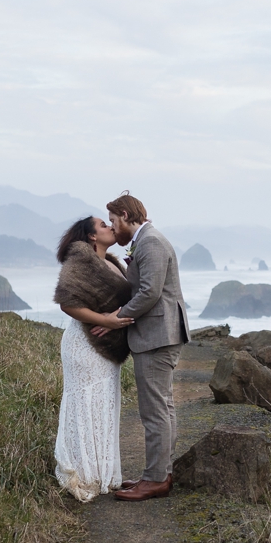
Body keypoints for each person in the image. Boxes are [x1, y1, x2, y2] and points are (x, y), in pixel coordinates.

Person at [93, 193, 192, 501]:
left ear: (125, 214)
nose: (112, 226)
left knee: (154, 411)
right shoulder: (146, 241)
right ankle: (159, 473)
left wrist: (114, 317)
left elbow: (149, 293)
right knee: (163, 407)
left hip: (157, 336)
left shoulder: (150, 242)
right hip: (161, 334)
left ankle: (156, 479)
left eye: (113, 221)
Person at [52, 216, 134, 502]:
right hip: (85, 345)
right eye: (103, 225)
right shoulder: (80, 260)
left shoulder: (112, 261)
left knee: (103, 405)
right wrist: (105, 321)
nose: (111, 227)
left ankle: (104, 474)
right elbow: (67, 302)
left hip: (107, 348)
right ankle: (83, 473)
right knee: (85, 404)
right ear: (91, 237)